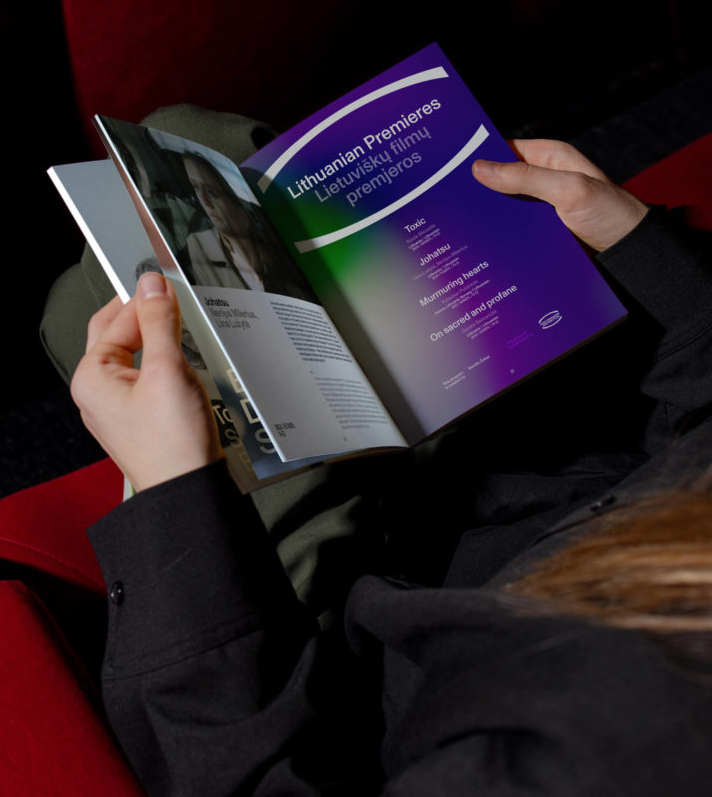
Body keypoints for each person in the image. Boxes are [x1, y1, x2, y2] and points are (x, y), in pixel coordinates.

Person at [70, 138, 712, 795]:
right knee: (194, 142)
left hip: (340, 645)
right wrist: (637, 242)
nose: (207, 208)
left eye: (212, 198)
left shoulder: (600, 750)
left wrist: (175, 490)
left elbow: (255, 775)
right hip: (566, 458)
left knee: (87, 288)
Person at [182, 150, 315, 300]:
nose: (204, 202)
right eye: (195, 188)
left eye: (212, 192)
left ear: (241, 208)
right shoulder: (199, 244)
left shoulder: (274, 250)